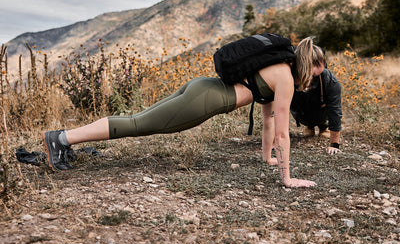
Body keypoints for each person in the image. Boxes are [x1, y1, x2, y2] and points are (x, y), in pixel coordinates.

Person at [42, 37, 324, 188]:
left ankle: (63, 140)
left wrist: (268, 159)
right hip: (203, 101)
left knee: (136, 119)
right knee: (137, 123)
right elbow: (283, 132)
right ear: (308, 64)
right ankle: (61, 139)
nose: (314, 78)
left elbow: (268, 121)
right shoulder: (285, 78)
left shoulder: (276, 67)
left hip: (201, 87)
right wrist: (287, 178)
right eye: (316, 72)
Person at [290, 46, 342, 155]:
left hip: (321, 113)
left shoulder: (329, 81)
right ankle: (309, 126)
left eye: (318, 65)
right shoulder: (289, 76)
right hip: (299, 113)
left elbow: (335, 111)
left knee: (326, 112)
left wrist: (334, 144)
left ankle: (324, 127)